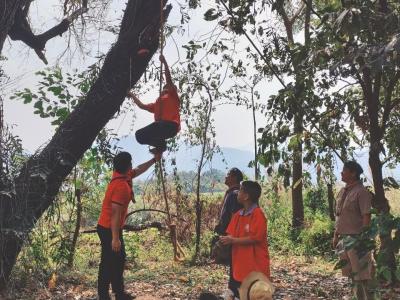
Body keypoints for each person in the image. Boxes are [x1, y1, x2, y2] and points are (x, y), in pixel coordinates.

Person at [97, 151, 161, 300]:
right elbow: (115, 214)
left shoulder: (122, 175)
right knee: (109, 261)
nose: (133, 165)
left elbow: (138, 169)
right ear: (127, 165)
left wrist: (154, 160)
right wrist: (115, 238)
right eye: (131, 162)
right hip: (109, 228)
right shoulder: (121, 187)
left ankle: (117, 293)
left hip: (108, 227)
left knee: (117, 259)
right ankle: (105, 295)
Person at [220, 181, 270, 300]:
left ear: (246, 196)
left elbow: (255, 238)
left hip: (256, 264)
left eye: (241, 190)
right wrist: (223, 241)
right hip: (241, 264)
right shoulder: (238, 215)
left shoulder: (258, 214)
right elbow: (231, 234)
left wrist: (233, 241)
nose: (237, 192)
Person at [333, 161, 375, 300]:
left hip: (357, 239)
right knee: (351, 274)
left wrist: (363, 239)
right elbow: (339, 215)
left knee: (362, 275)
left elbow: (366, 216)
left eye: (344, 170)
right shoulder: (342, 191)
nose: (341, 173)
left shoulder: (361, 192)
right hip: (344, 239)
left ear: (353, 173)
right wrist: (336, 235)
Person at [128, 55, 180, 154]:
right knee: (139, 136)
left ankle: (161, 145)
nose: (165, 90)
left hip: (171, 126)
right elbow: (142, 106)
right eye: (165, 89)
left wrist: (164, 62)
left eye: (168, 88)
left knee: (158, 125)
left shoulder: (173, 97)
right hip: (160, 128)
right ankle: (160, 145)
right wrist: (131, 95)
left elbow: (168, 79)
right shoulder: (157, 103)